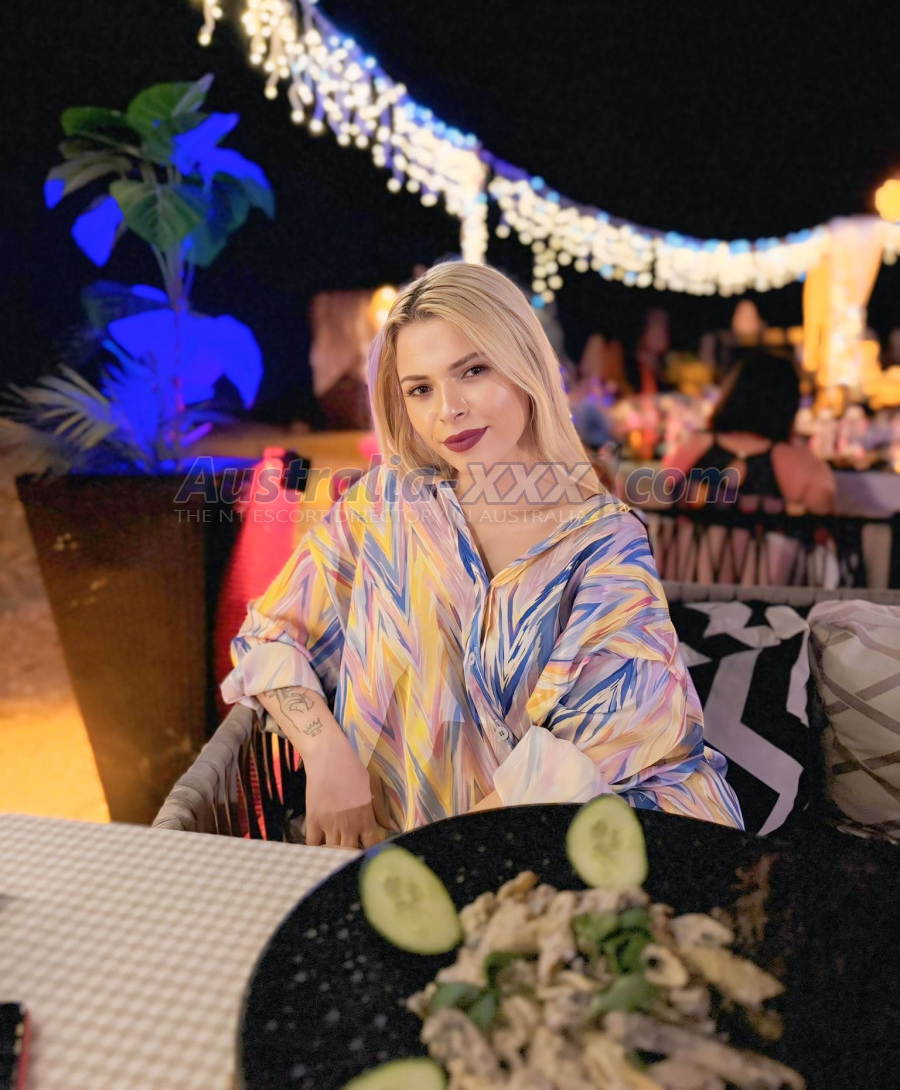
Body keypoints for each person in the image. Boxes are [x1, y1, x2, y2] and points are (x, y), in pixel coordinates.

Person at [221, 262, 743, 848]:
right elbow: (270, 637)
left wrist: (435, 859)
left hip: (560, 850)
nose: (448, 409)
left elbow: (589, 754)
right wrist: (326, 755)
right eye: (420, 389)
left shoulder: (602, 541)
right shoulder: (383, 506)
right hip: (400, 851)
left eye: (473, 370)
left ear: (525, 365)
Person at [667, 351, 836, 514]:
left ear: (732, 393)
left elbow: (661, 499)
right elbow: (823, 521)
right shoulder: (802, 463)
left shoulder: (693, 446)